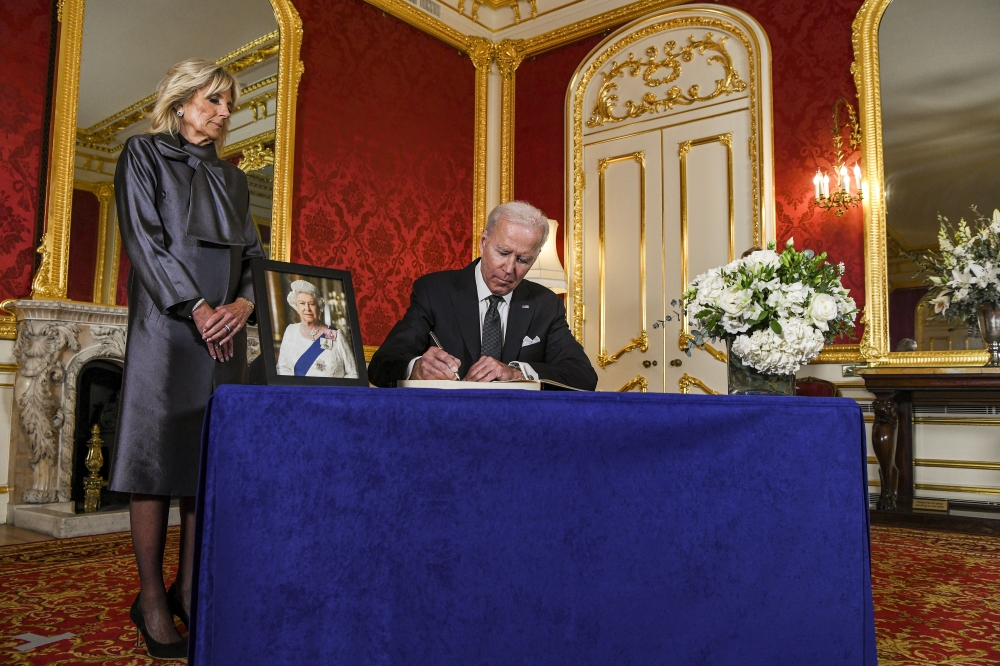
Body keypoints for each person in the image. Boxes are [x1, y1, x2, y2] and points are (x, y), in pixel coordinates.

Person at [108, 59, 264, 659]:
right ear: (180, 102)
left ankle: (190, 589)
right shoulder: (142, 154)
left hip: (223, 332)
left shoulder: (232, 178)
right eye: (213, 101)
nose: (224, 114)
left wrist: (244, 307)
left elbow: (253, 255)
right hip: (167, 327)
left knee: (203, 464)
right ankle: (150, 597)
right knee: (154, 460)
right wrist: (196, 308)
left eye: (229, 104)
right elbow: (144, 242)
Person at [368, 201, 598, 390]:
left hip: (518, 430)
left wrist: (517, 374)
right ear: (483, 242)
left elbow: (583, 376)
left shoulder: (545, 305)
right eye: (503, 252)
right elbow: (381, 365)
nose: (509, 269)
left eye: (523, 260)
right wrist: (416, 368)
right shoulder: (434, 292)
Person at [276, 279, 358, 378]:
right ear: (296, 306)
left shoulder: (334, 334)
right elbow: (282, 368)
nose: (307, 308)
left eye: (311, 303)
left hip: (332, 392)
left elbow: (353, 373)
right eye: (302, 303)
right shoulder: (291, 331)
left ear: (319, 306)